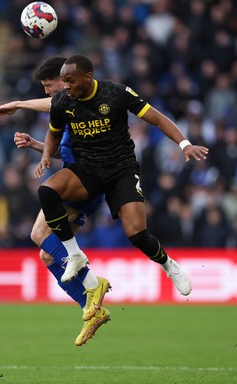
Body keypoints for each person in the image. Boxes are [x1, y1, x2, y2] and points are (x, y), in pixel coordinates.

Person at [34, 54, 209, 297]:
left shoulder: (115, 93)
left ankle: (169, 265)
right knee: (47, 190)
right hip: (86, 170)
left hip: (121, 170)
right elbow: (53, 133)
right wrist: (45, 155)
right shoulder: (63, 101)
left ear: (88, 77)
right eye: (64, 81)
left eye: (71, 81)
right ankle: (74, 253)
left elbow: (157, 118)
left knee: (137, 235)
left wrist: (184, 144)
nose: (67, 87)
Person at [0, 56, 111, 346]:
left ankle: (93, 285)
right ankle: (91, 308)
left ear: (65, 78)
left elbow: (51, 105)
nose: (47, 92)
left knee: (39, 234)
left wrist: (18, 103)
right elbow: (68, 151)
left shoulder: (77, 99)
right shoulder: (68, 110)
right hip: (81, 178)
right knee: (46, 253)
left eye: (48, 85)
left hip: (85, 181)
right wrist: (37, 146)